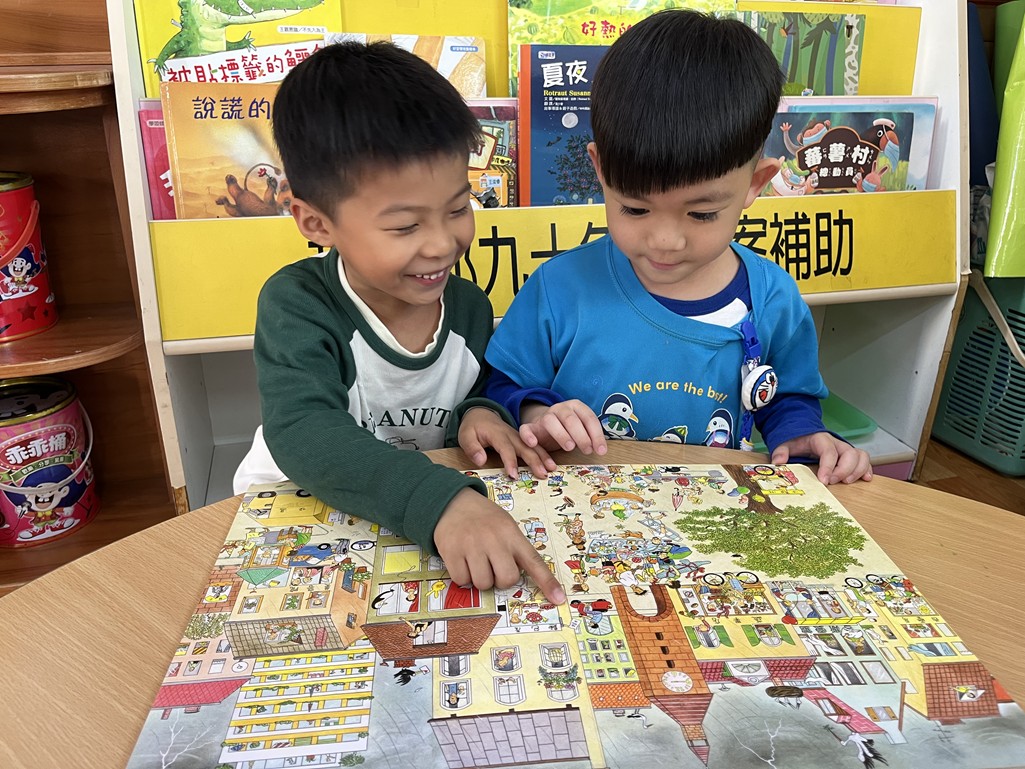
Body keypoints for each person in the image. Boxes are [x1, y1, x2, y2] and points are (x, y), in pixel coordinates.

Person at [232, 42, 564, 604]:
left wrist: (481, 412)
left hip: (423, 526)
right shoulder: (298, 304)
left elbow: (476, 383)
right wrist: (440, 500)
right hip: (300, 515)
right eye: (406, 226)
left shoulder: (466, 306)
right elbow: (305, 431)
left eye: (458, 209)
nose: (442, 244)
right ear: (316, 223)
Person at [485, 10, 872, 485]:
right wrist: (535, 413)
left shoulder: (772, 297)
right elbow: (503, 385)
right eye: (635, 209)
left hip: (713, 513)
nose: (665, 241)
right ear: (600, 170)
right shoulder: (559, 289)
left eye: (702, 214)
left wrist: (804, 434)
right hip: (585, 509)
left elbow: (787, 397)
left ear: (756, 184)